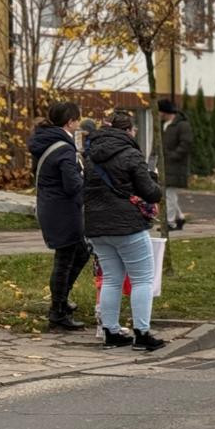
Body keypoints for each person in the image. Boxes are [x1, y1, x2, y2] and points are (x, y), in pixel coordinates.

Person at [83, 110, 165, 351]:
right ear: (128, 130)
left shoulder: (90, 156)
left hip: (96, 226)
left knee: (111, 278)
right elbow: (150, 192)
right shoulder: (131, 154)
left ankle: (111, 332)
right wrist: (153, 178)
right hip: (127, 226)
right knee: (142, 279)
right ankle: (142, 333)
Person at [28, 100, 89, 331]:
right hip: (63, 211)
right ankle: (58, 313)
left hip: (51, 207)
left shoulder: (45, 141)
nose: (79, 124)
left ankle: (62, 300)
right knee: (64, 260)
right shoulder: (63, 147)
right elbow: (72, 184)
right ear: (70, 121)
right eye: (77, 119)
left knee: (80, 253)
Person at [159, 98, 192, 231]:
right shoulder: (164, 125)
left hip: (176, 166)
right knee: (169, 194)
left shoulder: (182, 125)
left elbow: (186, 144)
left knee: (169, 194)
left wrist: (172, 156)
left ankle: (170, 222)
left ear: (165, 111)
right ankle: (180, 217)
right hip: (166, 165)